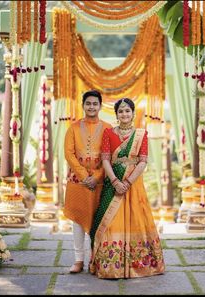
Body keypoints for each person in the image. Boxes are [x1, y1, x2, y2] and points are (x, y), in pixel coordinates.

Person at [89, 98, 165, 279]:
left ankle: (137, 264)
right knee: (108, 221)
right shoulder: (109, 133)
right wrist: (115, 181)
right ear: (116, 115)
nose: (124, 114)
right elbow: (105, 159)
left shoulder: (141, 134)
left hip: (133, 184)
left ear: (133, 113)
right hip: (112, 183)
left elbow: (143, 161)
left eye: (127, 111)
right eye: (121, 111)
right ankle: (111, 266)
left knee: (136, 218)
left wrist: (128, 182)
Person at [64, 90, 111, 273]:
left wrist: (97, 176)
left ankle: (95, 260)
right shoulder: (73, 128)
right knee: (77, 220)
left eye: (95, 104)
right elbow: (69, 154)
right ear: (83, 105)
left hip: (100, 182)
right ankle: (78, 260)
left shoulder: (108, 128)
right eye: (88, 103)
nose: (91, 107)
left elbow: (110, 156)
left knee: (98, 220)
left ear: (100, 106)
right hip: (78, 182)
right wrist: (85, 176)